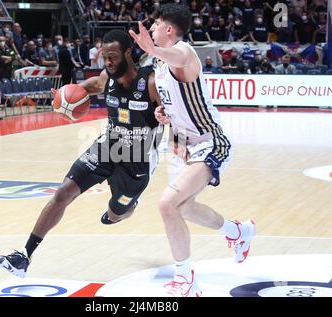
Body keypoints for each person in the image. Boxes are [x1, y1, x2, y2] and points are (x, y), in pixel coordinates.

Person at [0, 30, 163, 278]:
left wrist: (173, 126)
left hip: (138, 158)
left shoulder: (149, 83)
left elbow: (175, 114)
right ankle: (24, 255)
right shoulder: (106, 78)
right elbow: (83, 89)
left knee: (117, 213)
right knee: (62, 193)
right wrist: (64, 97)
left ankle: (127, 207)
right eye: (104, 57)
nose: (108, 63)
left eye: (113, 57)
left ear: (128, 53)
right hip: (108, 146)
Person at [129, 3, 256, 297]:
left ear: (169, 29)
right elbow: (175, 105)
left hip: (211, 142)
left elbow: (174, 56)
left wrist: (153, 48)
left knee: (166, 204)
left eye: (156, 25)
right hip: (186, 146)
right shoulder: (161, 68)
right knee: (183, 207)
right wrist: (164, 114)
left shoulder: (184, 52)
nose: (151, 29)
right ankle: (238, 232)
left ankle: (186, 279)